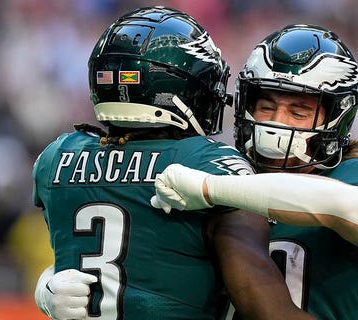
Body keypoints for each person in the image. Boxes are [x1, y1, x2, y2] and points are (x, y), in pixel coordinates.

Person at [32, 7, 312, 320]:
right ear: (177, 90)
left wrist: (43, 285)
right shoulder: (205, 162)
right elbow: (265, 309)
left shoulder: (56, 158)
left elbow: (91, 254)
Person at [151, 24, 358, 319]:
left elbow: (355, 210)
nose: (277, 122)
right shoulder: (218, 166)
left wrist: (211, 189)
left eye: (298, 112)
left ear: (338, 117)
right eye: (265, 106)